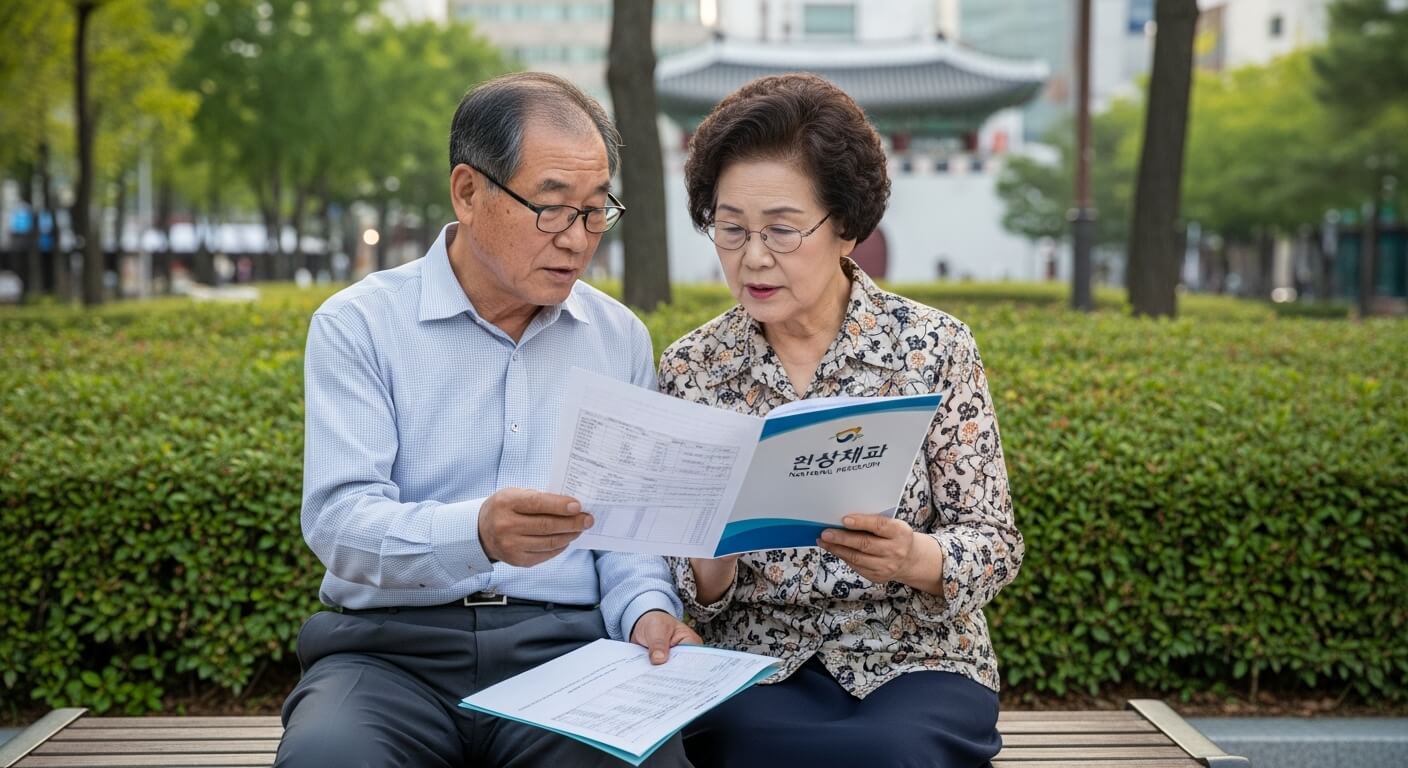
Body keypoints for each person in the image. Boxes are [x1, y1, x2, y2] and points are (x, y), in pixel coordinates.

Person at [275, 72, 699, 768]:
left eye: (597, 211)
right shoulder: (360, 326)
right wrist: (477, 533)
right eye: (553, 208)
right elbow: (341, 524)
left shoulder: (617, 337)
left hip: (569, 658)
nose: (579, 239)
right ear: (469, 192)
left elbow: (627, 536)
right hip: (387, 658)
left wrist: (649, 612)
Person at [658, 74, 1025, 768]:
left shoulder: (933, 347)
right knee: (740, 746)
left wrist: (918, 558)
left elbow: (995, 542)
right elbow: (689, 591)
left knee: (892, 752)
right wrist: (710, 559)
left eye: (782, 229)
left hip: (917, 656)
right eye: (730, 228)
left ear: (847, 227)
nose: (753, 256)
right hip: (757, 664)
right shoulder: (693, 367)